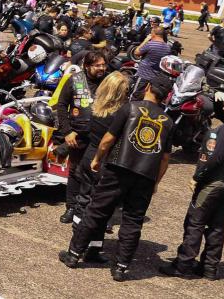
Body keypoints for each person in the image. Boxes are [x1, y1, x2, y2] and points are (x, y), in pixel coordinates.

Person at [59, 73, 175, 281]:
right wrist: (156, 181)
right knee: (133, 221)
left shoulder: (129, 108)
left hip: (119, 168)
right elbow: (165, 159)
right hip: (145, 175)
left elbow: (108, 139)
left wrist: (97, 159)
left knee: (96, 211)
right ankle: (121, 267)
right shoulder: (168, 121)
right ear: (166, 96)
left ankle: (73, 254)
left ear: (147, 87)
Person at [160, 94, 224, 280]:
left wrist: (198, 177)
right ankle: (210, 268)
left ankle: (183, 266)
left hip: (214, 183)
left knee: (195, 222)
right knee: (217, 224)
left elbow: (215, 157)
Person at [71, 71, 130, 263]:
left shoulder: (94, 107)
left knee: (83, 201)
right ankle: (91, 248)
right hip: (104, 161)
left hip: (89, 155)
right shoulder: (122, 114)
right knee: (101, 208)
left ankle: (79, 241)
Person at [52, 51, 107, 224]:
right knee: (76, 172)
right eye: (97, 65)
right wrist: (67, 131)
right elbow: (61, 106)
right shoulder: (74, 80)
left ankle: (92, 212)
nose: (102, 68)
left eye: (103, 65)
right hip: (76, 136)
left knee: (96, 173)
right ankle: (71, 208)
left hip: (100, 136)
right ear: (87, 66)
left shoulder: (108, 83)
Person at [131, 26, 171, 99]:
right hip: (155, 78)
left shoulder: (150, 44)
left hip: (143, 75)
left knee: (135, 96)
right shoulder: (167, 48)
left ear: (153, 33)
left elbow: (136, 52)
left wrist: (146, 40)